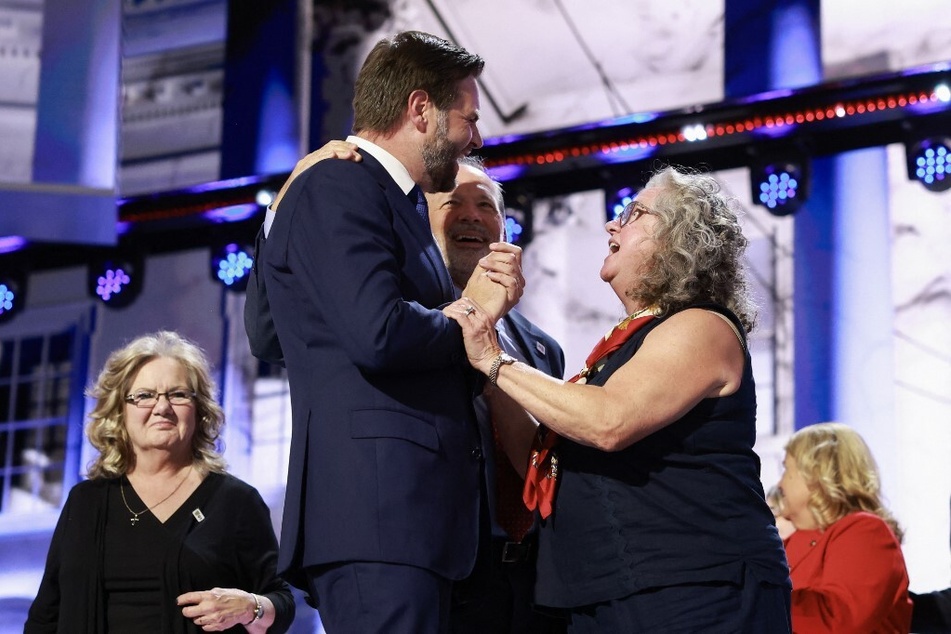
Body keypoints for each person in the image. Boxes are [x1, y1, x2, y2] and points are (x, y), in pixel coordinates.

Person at [244, 31, 523, 633]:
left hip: (408, 524)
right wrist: (471, 312)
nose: (476, 137)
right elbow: (378, 331)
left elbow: (279, 337)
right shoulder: (347, 184)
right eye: (467, 118)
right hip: (382, 517)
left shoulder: (383, 200)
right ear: (420, 109)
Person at [446, 166, 792, 632]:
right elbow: (543, 458)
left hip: (695, 590)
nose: (612, 224)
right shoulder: (628, 344)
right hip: (607, 592)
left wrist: (493, 359)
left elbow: (609, 422)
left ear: (678, 237)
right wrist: (488, 369)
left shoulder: (701, 326)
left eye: (633, 213)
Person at [25, 331, 294, 633]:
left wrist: (250, 607)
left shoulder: (235, 501)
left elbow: (281, 602)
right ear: (119, 411)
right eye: (144, 395)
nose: (162, 407)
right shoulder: (85, 501)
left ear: (200, 410)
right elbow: (45, 618)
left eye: (178, 394)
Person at [779, 422, 912, 633]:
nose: (780, 484)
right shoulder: (788, 542)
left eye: (786, 469)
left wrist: (757, 601)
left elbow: (839, 620)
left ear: (817, 475)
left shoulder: (866, 531)